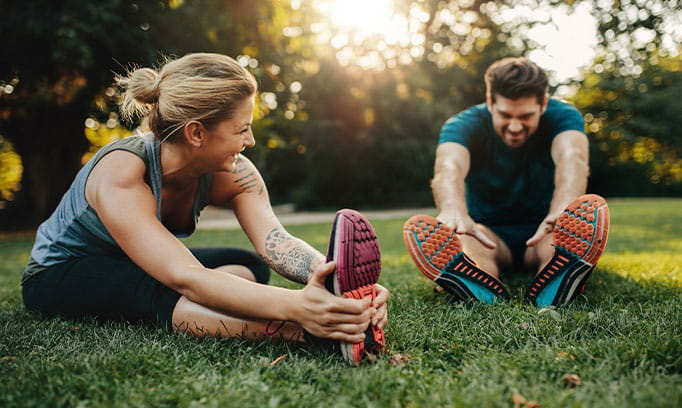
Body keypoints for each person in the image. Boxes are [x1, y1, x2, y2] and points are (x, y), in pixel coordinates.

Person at [21, 53, 388, 365]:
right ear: (197, 133)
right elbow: (185, 276)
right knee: (168, 289)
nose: (251, 140)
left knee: (251, 267)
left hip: (137, 264)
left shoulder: (233, 172)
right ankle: (306, 335)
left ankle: (210, 309)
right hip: (61, 272)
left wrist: (336, 283)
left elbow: (276, 241)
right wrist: (300, 308)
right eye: (241, 129)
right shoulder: (122, 172)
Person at [403, 57, 609, 307]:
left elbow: (572, 156)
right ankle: (479, 283)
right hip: (489, 233)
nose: (514, 126)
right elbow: (449, 166)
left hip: (544, 229)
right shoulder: (462, 125)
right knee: (468, 244)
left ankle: (559, 277)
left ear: (543, 104)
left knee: (558, 243)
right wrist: (453, 210)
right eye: (504, 114)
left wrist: (562, 210)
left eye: (525, 116)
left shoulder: (564, 116)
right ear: (490, 102)